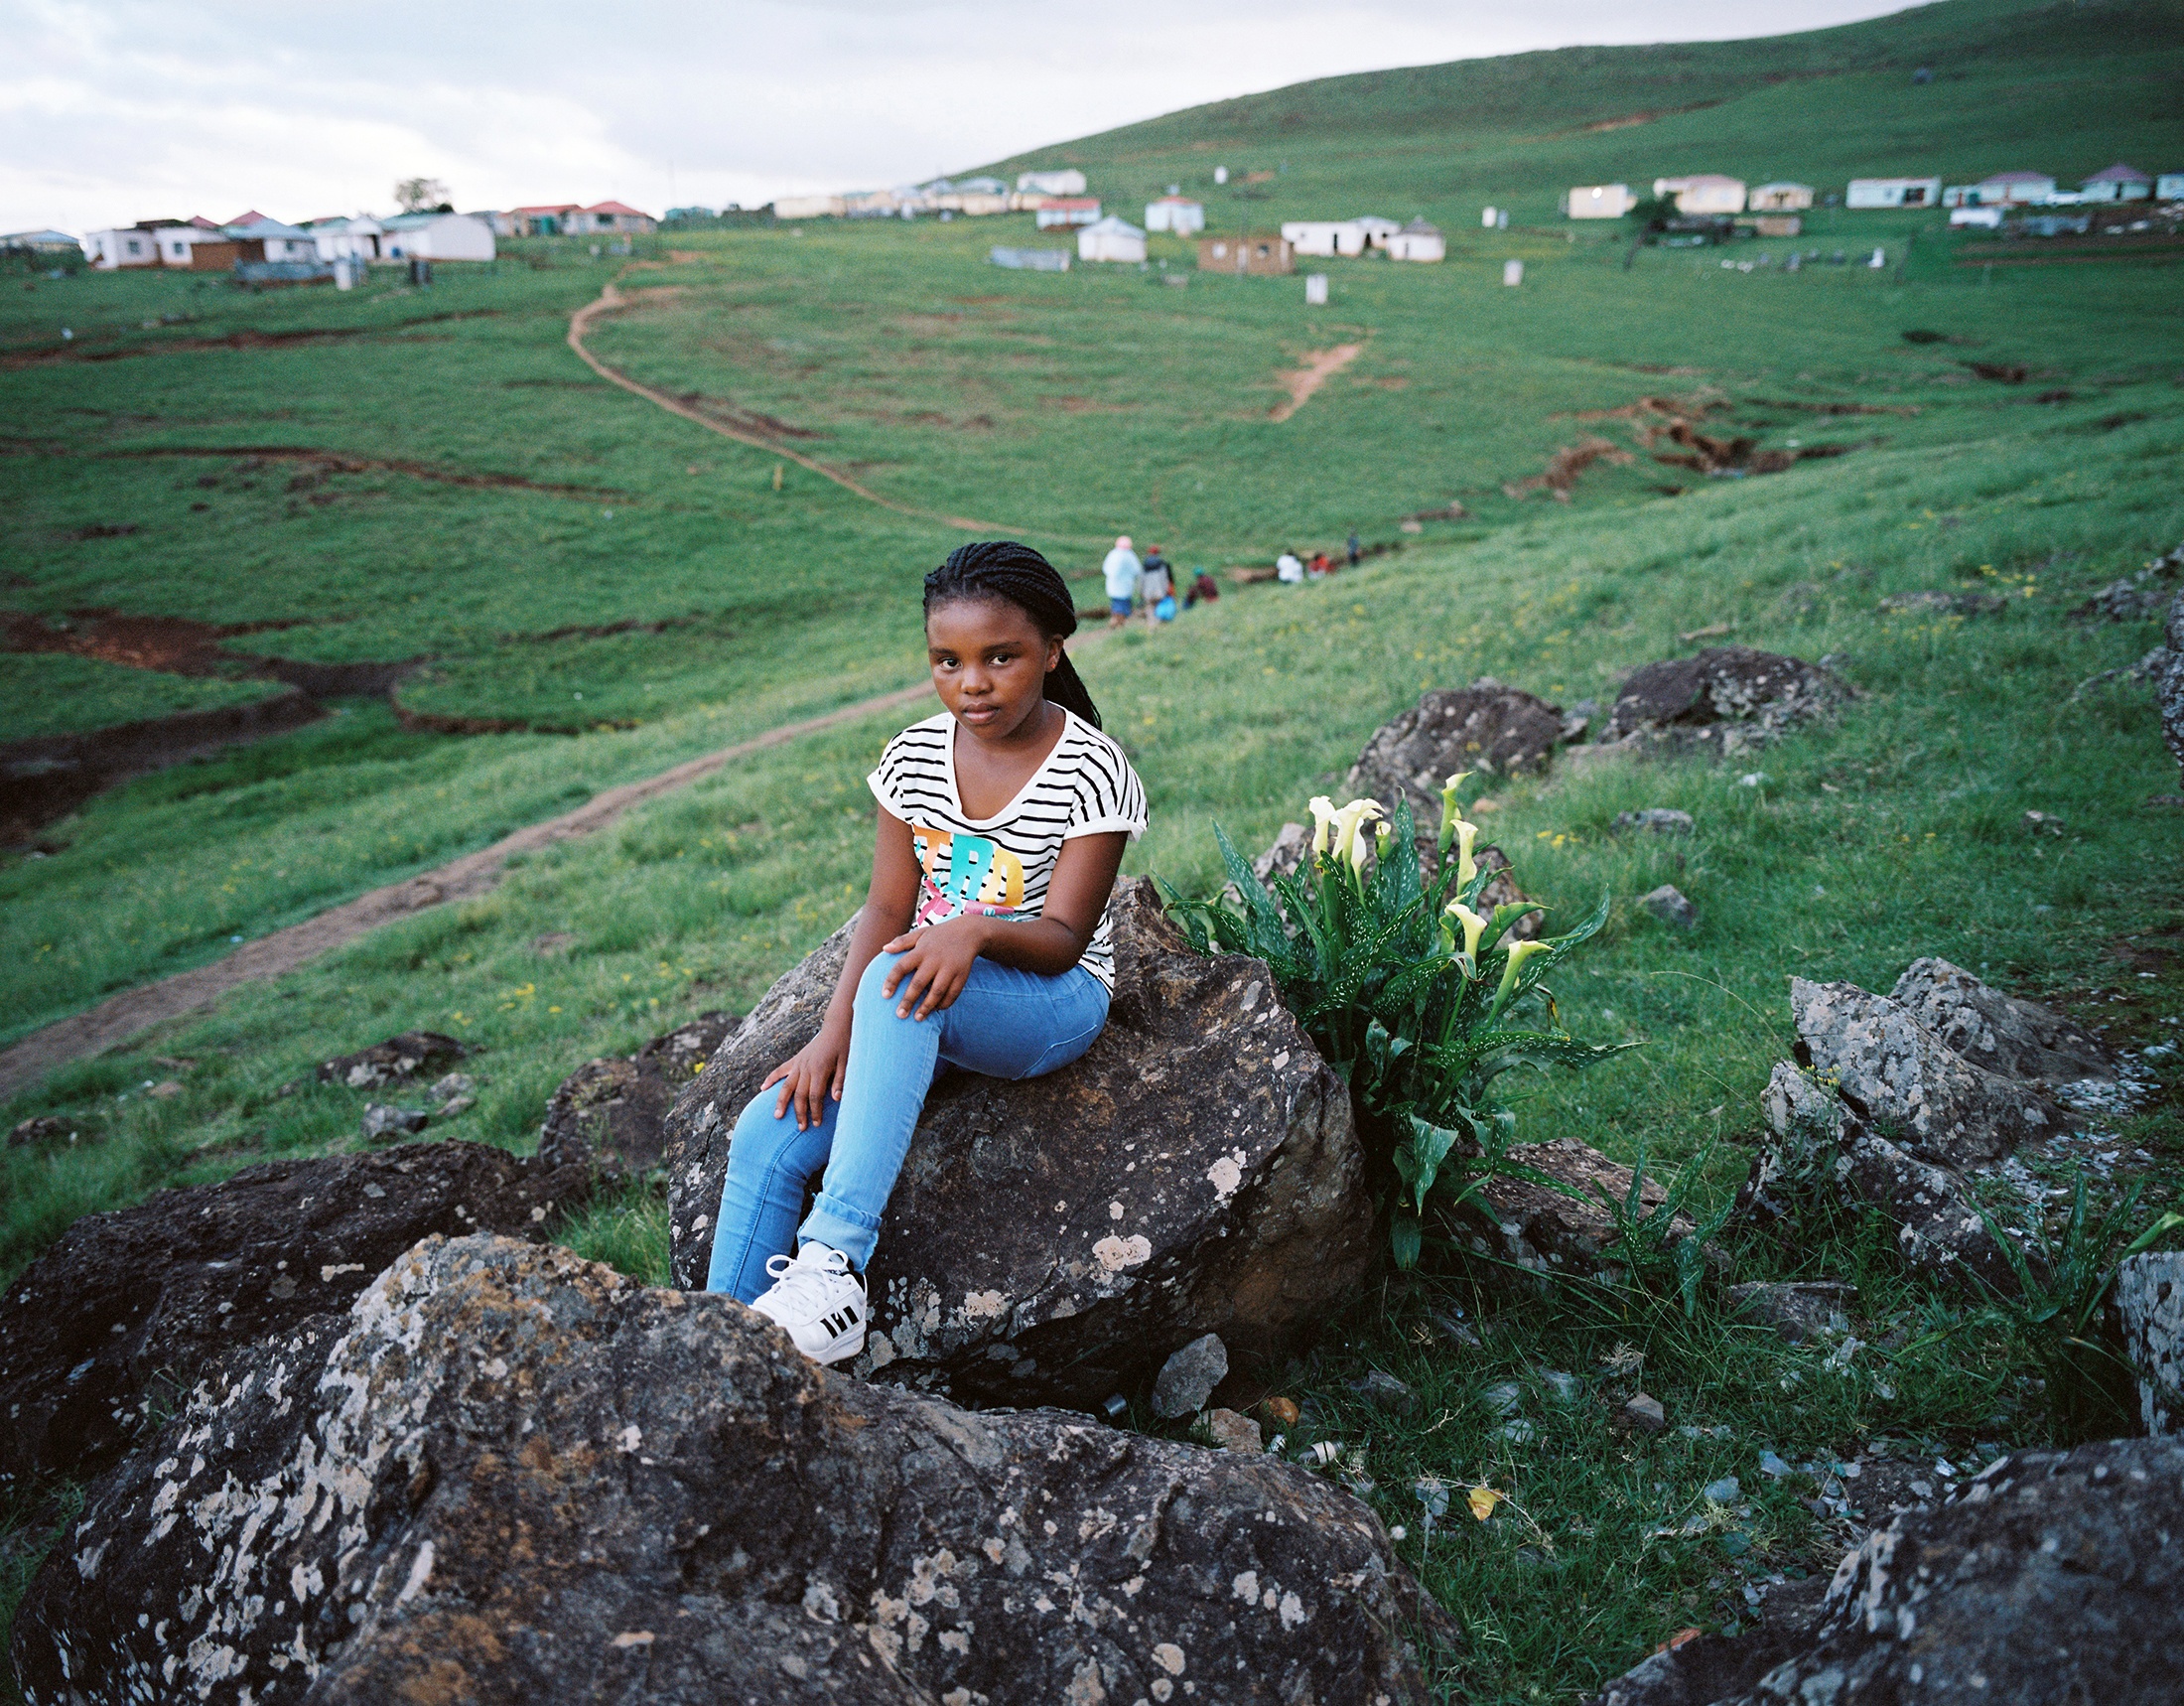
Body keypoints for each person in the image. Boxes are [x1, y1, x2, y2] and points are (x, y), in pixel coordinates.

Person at [706, 541, 1149, 1365]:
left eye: (1000, 657)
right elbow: (885, 906)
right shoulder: (913, 758)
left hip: (1048, 1003)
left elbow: (1062, 942)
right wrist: (831, 1038)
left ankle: (834, 1265)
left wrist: (973, 929)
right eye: (947, 661)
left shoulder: (1091, 768)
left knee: (902, 978)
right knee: (767, 1133)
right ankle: (721, 1353)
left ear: (1053, 651)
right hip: (922, 998)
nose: (971, 683)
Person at [1102, 534, 1142, 629]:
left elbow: (1106, 569)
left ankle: (1115, 619)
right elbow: (1137, 570)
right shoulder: (1130, 555)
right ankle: (1120, 621)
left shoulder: (1112, 554)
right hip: (1126, 586)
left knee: (1116, 603)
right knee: (1124, 605)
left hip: (1113, 586)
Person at [1140, 547, 1175, 624]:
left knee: (1150, 608)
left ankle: (1151, 625)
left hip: (1148, 592)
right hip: (1160, 592)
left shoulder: (1145, 565)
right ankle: (1159, 623)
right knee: (1159, 607)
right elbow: (1165, 579)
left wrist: (1142, 592)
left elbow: (1142, 581)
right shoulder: (1162, 564)